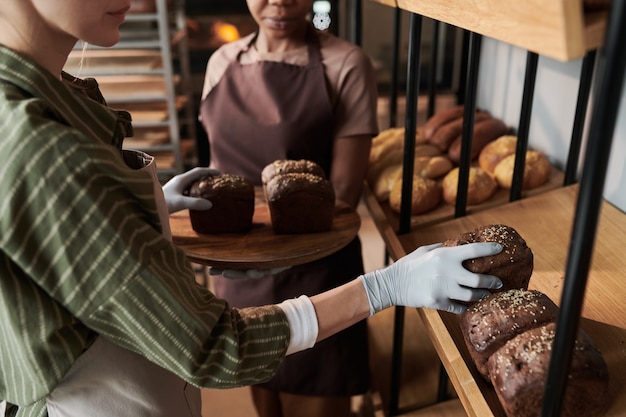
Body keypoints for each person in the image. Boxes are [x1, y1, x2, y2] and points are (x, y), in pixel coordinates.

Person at [0, 1, 503, 416]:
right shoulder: (44, 147)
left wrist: (145, 206)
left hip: (311, 271)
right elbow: (216, 346)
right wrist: (388, 284)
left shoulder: (54, 97)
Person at [198, 0, 378, 415]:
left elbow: (345, 196)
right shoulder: (221, 61)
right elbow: (218, 171)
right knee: (264, 397)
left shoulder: (347, 63)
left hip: (315, 273)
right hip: (239, 272)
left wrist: (276, 250)